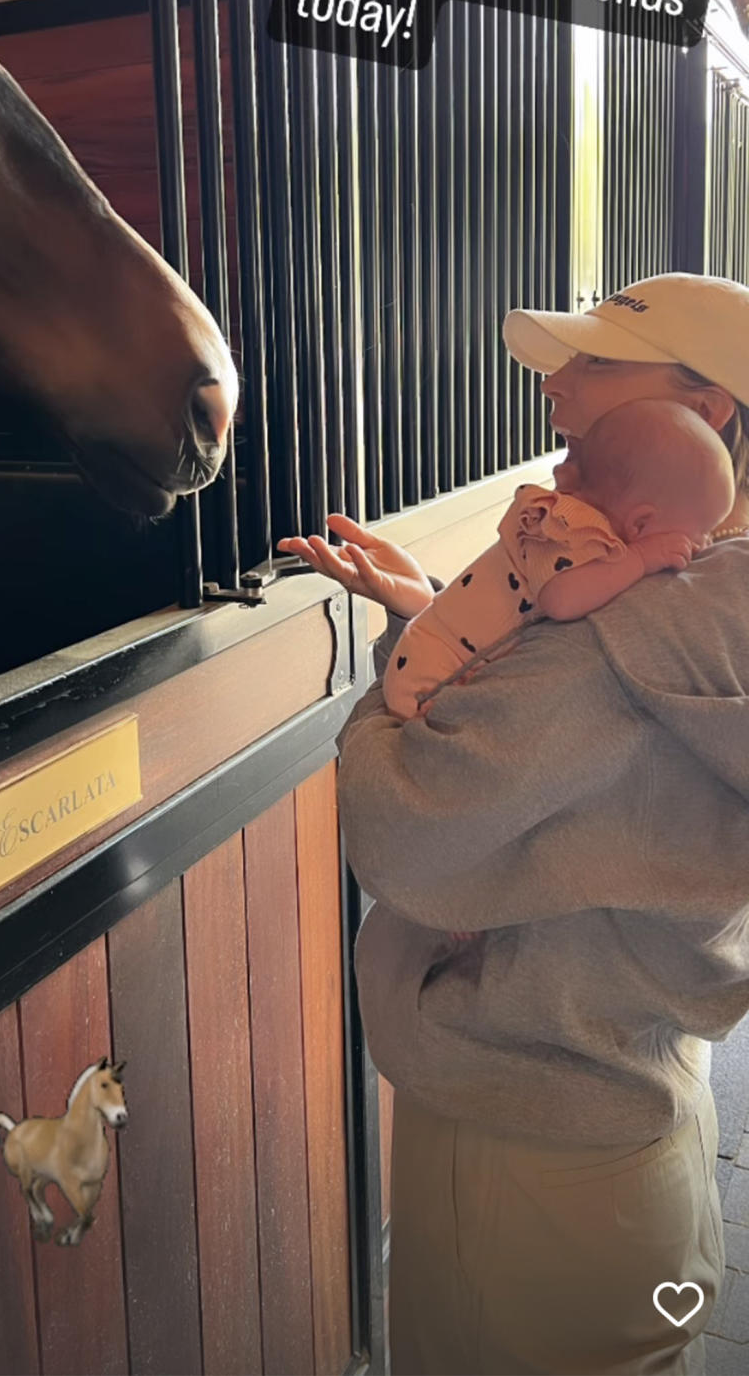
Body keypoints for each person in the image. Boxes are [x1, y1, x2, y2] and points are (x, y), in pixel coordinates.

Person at [277, 271, 749, 1375]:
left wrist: (404, 681)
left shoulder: (627, 635)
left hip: (531, 1164)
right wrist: (450, 612)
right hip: (639, 1123)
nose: (559, 386)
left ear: (711, 408)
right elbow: (600, 758)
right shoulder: (696, 595)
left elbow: (405, 825)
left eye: (596, 363)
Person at [383, 397, 735, 719]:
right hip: (435, 668)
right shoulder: (568, 527)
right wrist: (642, 558)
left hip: (452, 658)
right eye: (700, 529)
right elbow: (561, 600)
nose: (703, 542)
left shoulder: (598, 534)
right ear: (641, 523)